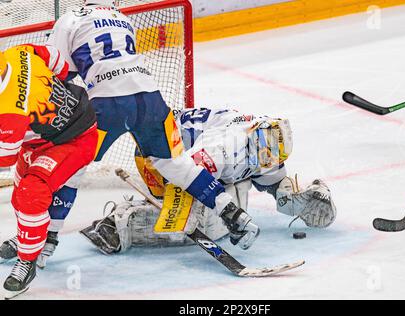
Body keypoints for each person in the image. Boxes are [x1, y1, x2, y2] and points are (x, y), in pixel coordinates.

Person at [44, 0, 258, 251]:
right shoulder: (121, 18)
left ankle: (45, 241)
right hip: (151, 100)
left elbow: (57, 74)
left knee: (72, 171)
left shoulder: (70, 19)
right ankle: (232, 213)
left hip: (107, 105)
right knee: (175, 164)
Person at [80, 107, 337, 254]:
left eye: (275, 159)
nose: (271, 162)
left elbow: (271, 176)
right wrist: (230, 214)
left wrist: (291, 198)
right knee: (192, 219)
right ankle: (119, 224)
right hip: (159, 155)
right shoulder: (226, 144)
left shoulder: (264, 144)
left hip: (201, 162)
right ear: (256, 141)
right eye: (268, 157)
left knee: (231, 199)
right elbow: (189, 178)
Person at [0, 44, 98, 298]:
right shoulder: (17, 53)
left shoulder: (9, 112)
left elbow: (4, 159)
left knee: (31, 194)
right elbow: (60, 65)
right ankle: (31, 238)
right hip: (44, 137)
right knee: (20, 195)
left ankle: (27, 261)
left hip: (74, 140)